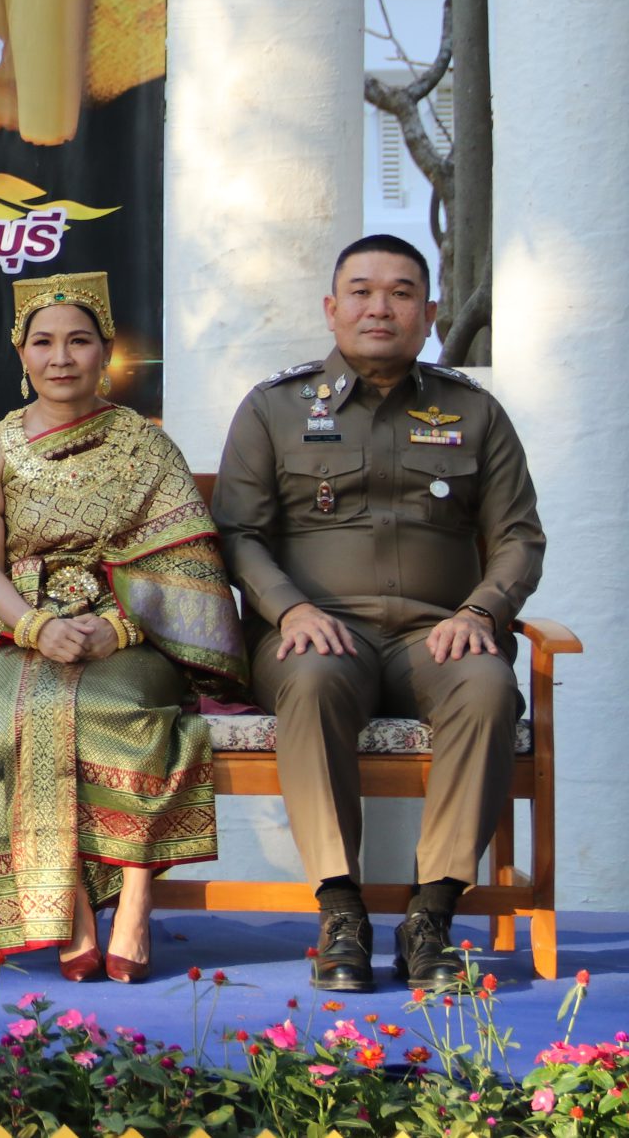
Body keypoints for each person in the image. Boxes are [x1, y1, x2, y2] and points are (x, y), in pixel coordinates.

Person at [213, 234, 545, 993]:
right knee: (315, 675)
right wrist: (288, 609)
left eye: (400, 292)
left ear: (428, 314)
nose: (379, 306)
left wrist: (481, 610)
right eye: (360, 291)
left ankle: (433, 912)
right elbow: (238, 533)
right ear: (332, 309)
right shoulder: (274, 408)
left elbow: (520, 537)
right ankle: (340, 908)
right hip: (318, 632)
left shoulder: (474, 411)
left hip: (438, 634)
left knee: (489, 685)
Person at [0, 272, 245, 982]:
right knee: (28, 708)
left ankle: (138, 896)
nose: (61, 357)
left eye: (79, 341)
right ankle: (76, 905)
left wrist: (117, 627)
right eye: (43, 341)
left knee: (122, 709)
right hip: (25, 633)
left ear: (107, 352)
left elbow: (190, 567)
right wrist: (32, 626)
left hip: (133, 635)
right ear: (20, 353)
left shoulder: (147, 446)